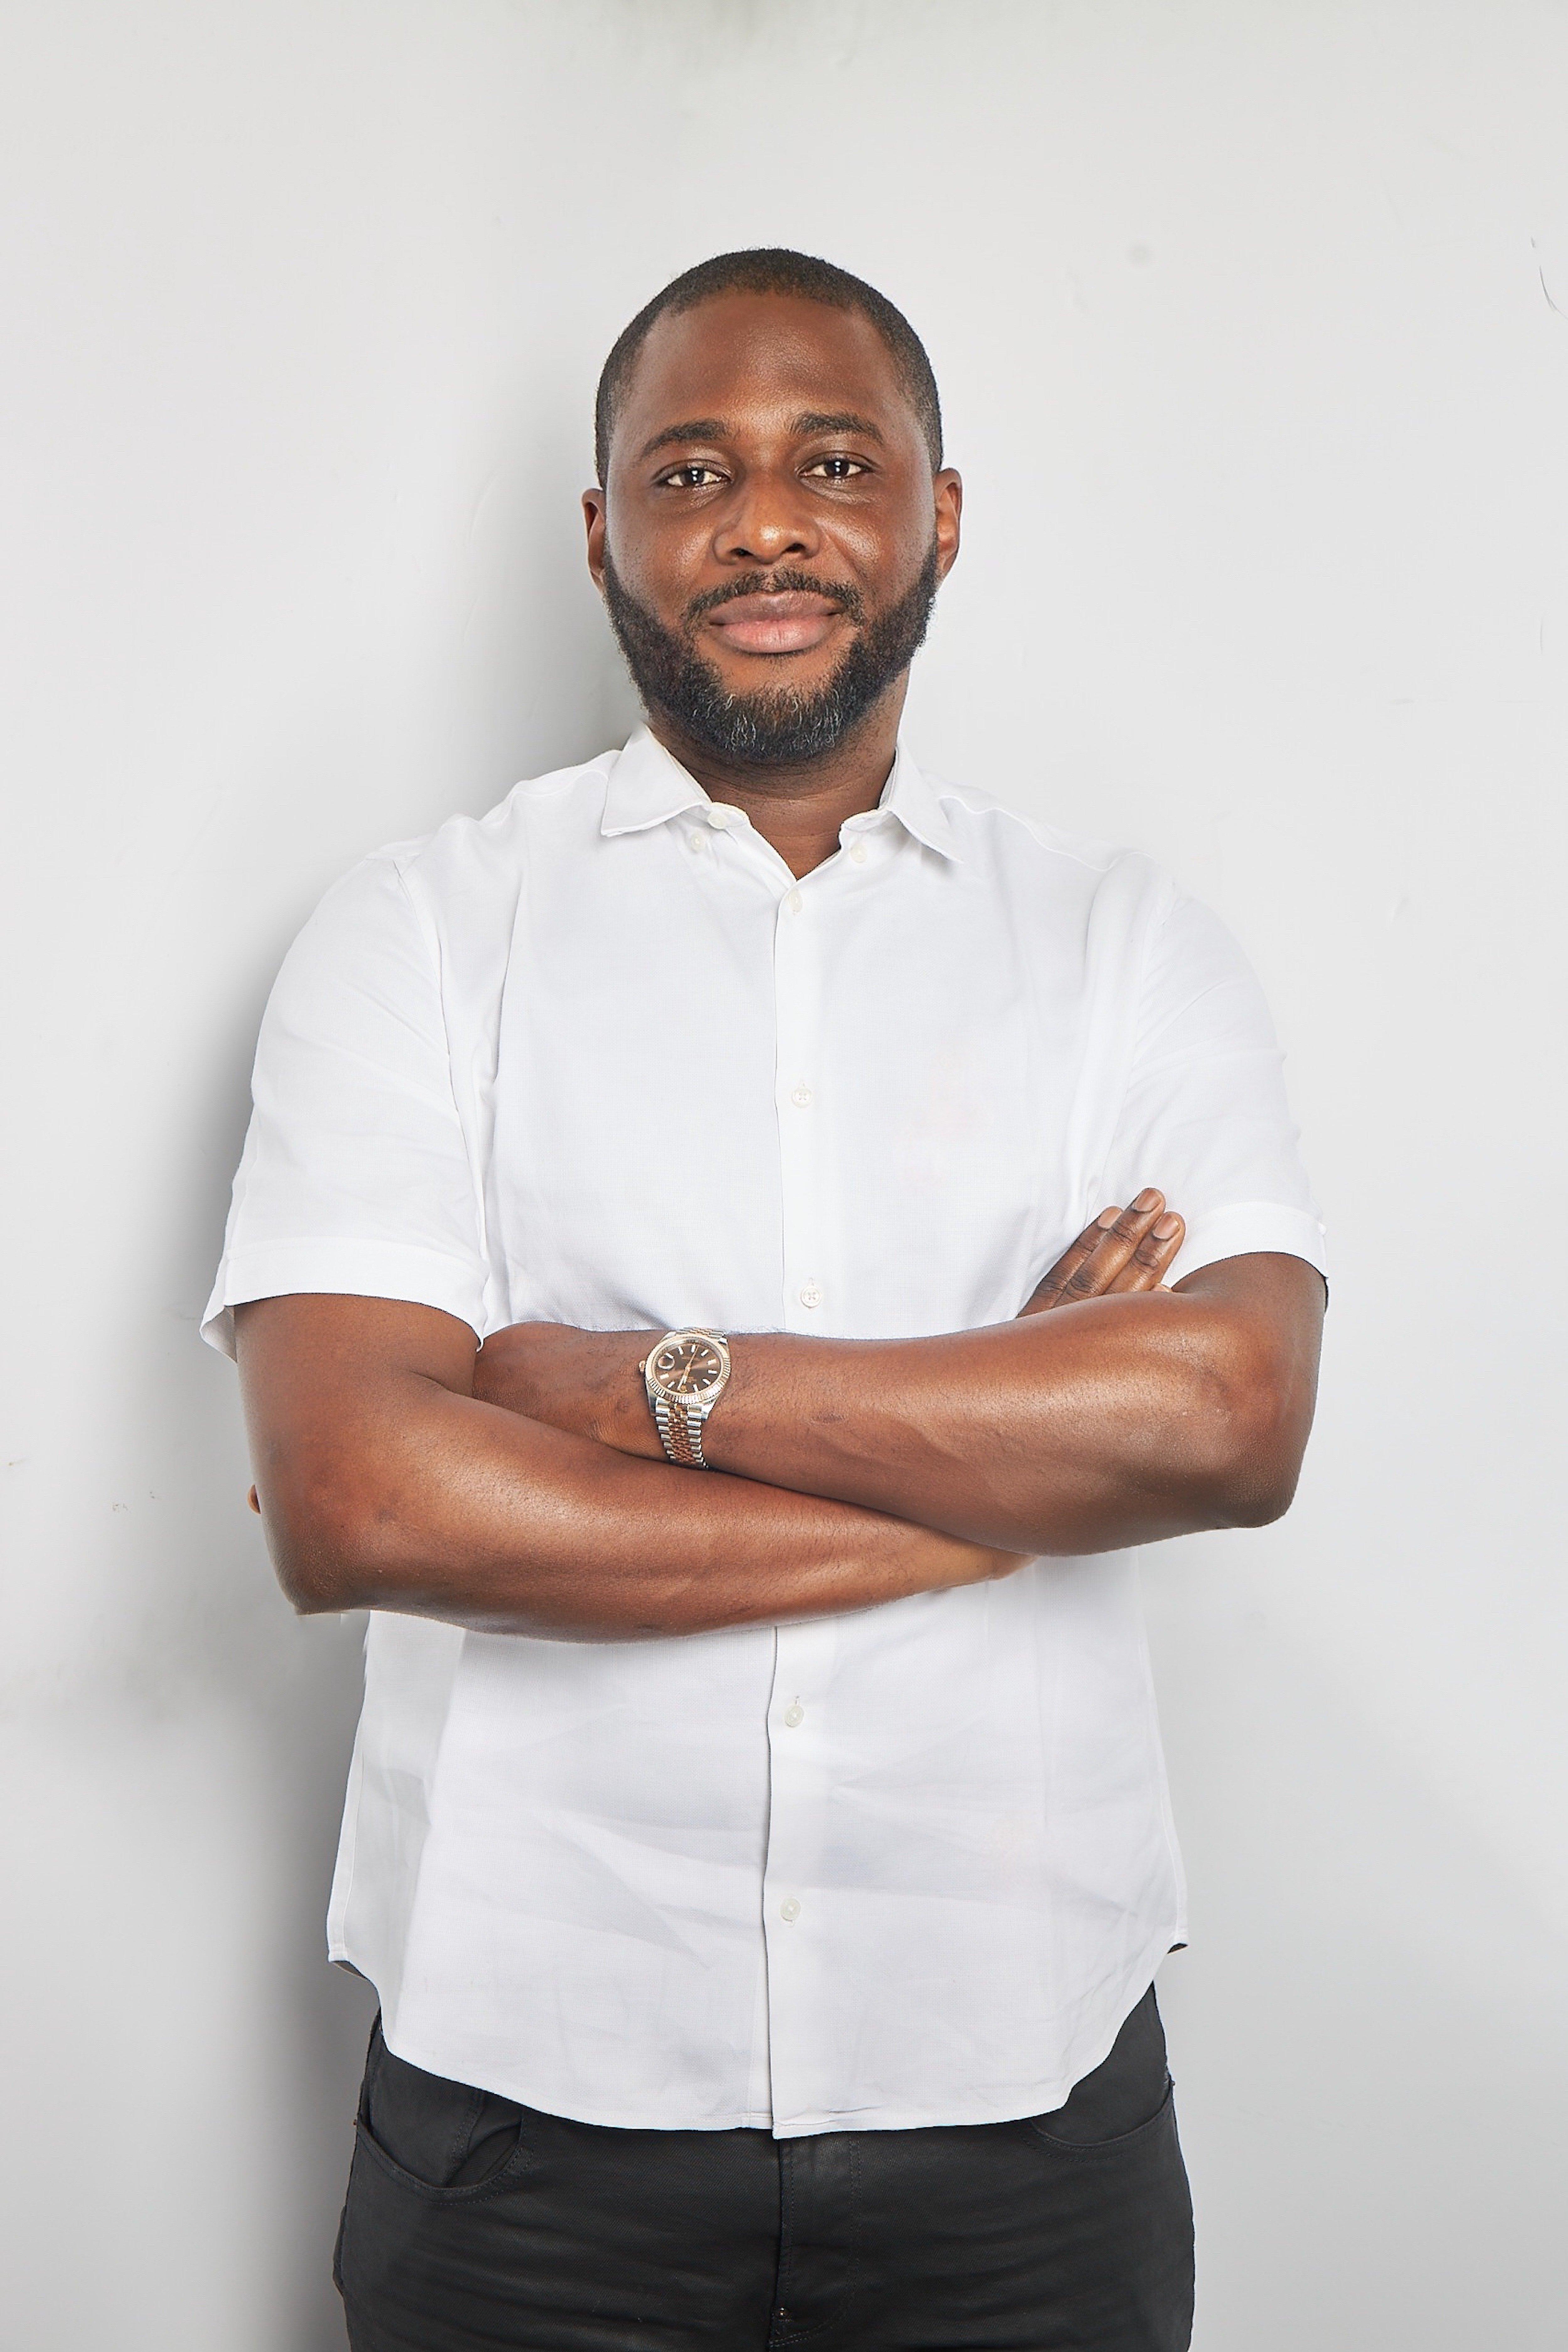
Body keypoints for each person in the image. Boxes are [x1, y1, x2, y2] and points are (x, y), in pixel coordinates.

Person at [206, 248, 1326, 2351]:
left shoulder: (1122, 943)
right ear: (601, 531)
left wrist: (635, 1388)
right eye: (689, 472)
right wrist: (1003, 1472)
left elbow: (1224, 1421)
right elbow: (361, 1501)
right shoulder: (420, 930)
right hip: (532, 2114)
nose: (763, 525)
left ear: (939, 511)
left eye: (833, 462)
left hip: (1022, 2094)